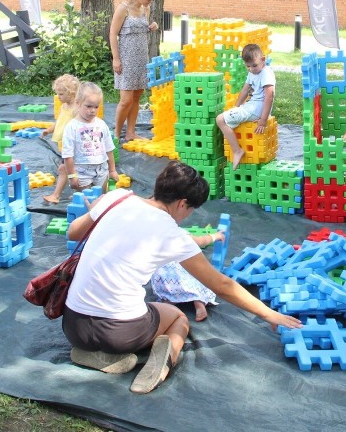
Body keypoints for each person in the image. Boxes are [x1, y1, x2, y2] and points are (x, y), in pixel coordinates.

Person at [63, 161, 302, 394]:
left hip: (72, 325)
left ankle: (94, 354)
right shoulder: (171, 234)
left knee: (130, 308)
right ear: (183, 203)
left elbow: (74, 232)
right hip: (120, 333)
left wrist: (99, 208)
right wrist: (268, 313)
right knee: (178, 318)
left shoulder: (116, 198)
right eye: (190, 210)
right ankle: (162, 365)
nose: (187, 216)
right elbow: (221, 285)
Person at [110, 0, 160, 143]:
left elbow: (144, 27)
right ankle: (117, 134)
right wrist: (116, 59)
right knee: (126, 100)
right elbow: (112, 34)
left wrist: (153, 26)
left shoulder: (145, 9)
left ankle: (131, 132)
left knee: (137, 96)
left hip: (141, 57)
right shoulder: (123, 8)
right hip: (126, 58)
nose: (150, 1)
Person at [52, 82, 119, 202]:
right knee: (86, 201)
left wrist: (112, 170)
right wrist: (72, 176)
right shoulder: (72, 127)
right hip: (82, 171)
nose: (93, 111)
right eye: (88, 106)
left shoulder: (101, 124)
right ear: (78, 103)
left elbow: (109, 148)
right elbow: (68, 155)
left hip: (101, 169)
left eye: (96, 107)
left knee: (100, 199)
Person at [216, 44, 275, 170]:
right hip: (253, 106)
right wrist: (236, 108)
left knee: (220, 119)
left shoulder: (266, 73)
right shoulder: (253, 72)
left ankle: (237, 151)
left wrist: (263, 120)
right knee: (228, 118)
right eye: (247, 66)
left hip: (257, 109)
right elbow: (244, 91)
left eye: (254, 65)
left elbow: (270, 96)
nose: (251, 69)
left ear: (263, 60)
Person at [151, 230, 223, 322]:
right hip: (183, 274)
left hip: (164, 279)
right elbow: (201, 241)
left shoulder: (153, 236)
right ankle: (199, 302)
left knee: (164, 285)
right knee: (199, 277)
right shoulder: (179, 233)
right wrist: (215, 236)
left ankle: (168, 302)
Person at [42, 74, 80, 204]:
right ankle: (80, 193)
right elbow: (59, 121)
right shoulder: (64, 107)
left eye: (61, 94)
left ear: (72, 93)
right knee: (72, 169)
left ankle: (56, 195)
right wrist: (49, 130)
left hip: (74, 146)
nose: (58, 97)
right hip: (66, 145)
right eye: (58, 94)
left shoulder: (76, 109)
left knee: (64, 169)